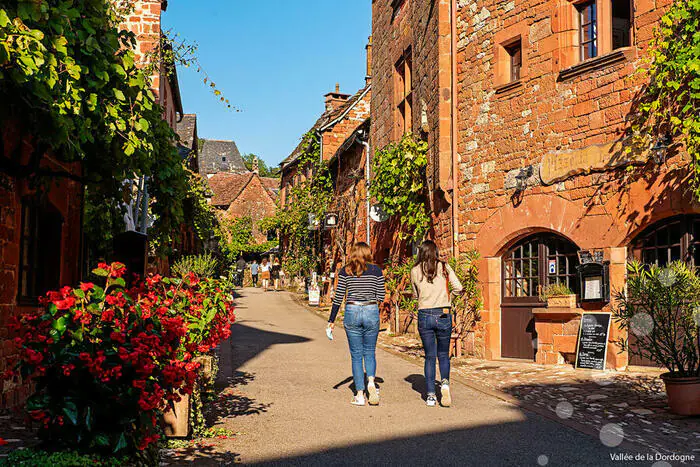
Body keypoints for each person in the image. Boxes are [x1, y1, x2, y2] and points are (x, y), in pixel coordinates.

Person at [328, 242, 385, 406]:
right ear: (368, 253)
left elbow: (338, 297)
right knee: (370, 351)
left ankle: (360, 395)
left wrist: (331, 320)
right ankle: (372, 383)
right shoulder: (376, 271)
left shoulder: (345, 271)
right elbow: (381, 295)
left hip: (352, 310)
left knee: (356, 355)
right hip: (370, 309)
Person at [411, 240, 463, 408]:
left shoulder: (415, 270)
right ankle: (445, 384)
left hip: (425, 313)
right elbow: (458, 287)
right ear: (435, 252)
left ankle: (431, 396)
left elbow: (415, 294)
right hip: (443, 313)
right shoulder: (444, 268)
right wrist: (449, 299)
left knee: (430, 356)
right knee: (443, 354)